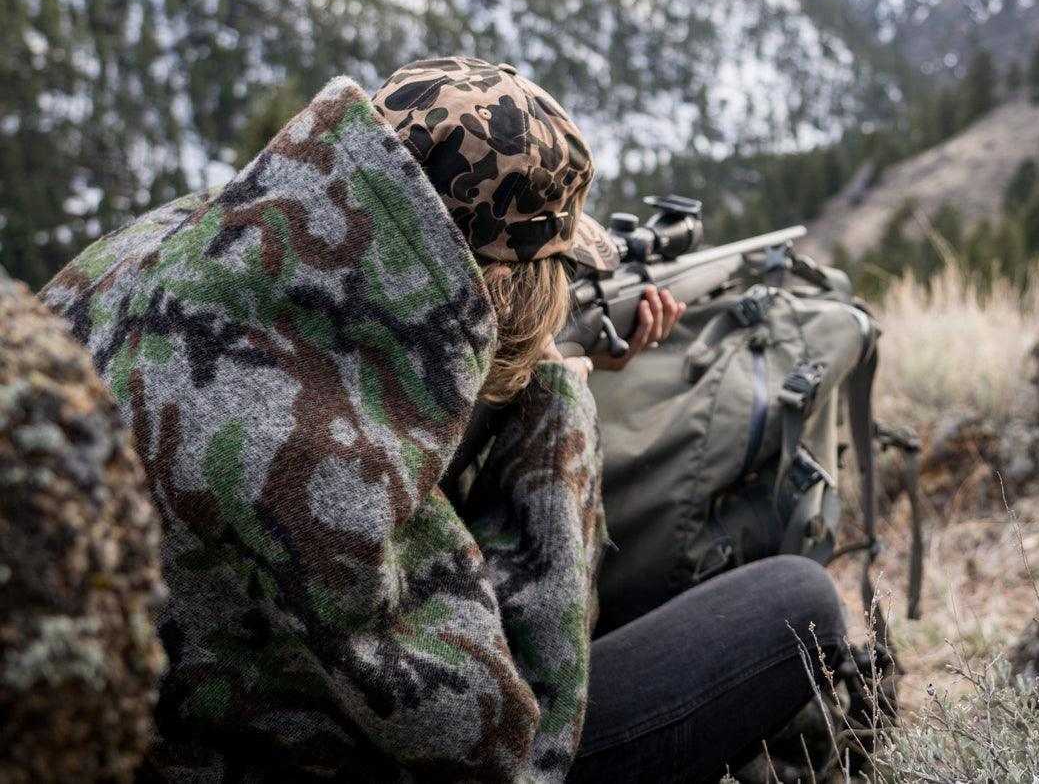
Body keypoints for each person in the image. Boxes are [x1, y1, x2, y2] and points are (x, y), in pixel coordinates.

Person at [42, 57, 848, 783]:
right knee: (794, 599)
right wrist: (557, 419)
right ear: (500, 290)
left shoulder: (170, 243)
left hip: (108, 716)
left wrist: (498, 380)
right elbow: (516, 748)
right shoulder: (331, 470)